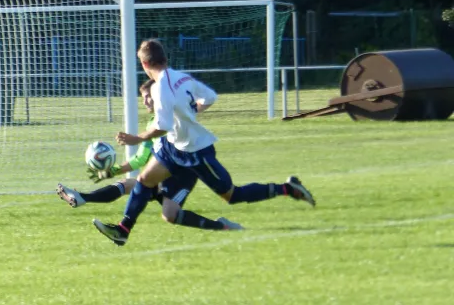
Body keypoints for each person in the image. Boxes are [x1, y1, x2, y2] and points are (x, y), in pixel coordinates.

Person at [93, 39, 316, 246]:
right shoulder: (182, 77)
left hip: (196, 152)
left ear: (144, 63)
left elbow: (162, 126)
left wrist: (138, 137)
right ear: (165, 59)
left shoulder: (160, 87)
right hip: (174, 148)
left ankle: (287, 188)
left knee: (232, 195)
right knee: (144, 179)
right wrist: (190, 112)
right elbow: (209, 97)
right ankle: (123, 230)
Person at [57, 79, 243, 235]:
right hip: (166, 174)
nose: (144, 101)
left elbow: (140, 160)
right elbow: (142, 157)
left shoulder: (166, 121)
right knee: (145, 194)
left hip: (182, 173)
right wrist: (112, 171)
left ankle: (222, 226)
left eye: (147, 97)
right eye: (143, 97)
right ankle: (84, 199)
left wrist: (111, 170)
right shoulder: (156, 121)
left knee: (164, 209)